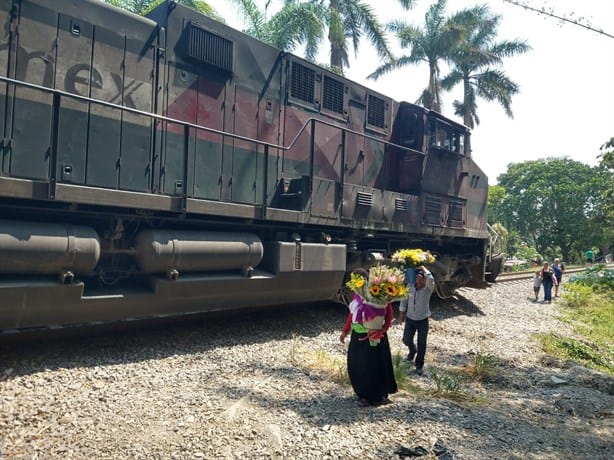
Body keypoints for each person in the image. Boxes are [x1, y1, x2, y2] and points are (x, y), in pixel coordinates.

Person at [340, 270, 397, 406]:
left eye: (358, 279)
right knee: (359, 365)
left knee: (375, 364)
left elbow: (388, 311)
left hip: (375, 335)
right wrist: (345, 331)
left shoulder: (375, 294)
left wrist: (384, 328)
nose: (355, 282)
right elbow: (351, 315)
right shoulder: (357, 296)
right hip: (358, 335)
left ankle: (377, 395)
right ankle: (364, 394)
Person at [398, 266, 435, 376]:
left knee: (422, 343)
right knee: (406, 339)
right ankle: (412, 350)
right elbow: (404, 300)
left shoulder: (428, 289)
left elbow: (431, 278)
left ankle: (419, 365)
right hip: (410, 319)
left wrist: (424, 268)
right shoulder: (410, 287)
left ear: (424, 281)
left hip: (422, 320)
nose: (418, 281)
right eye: (417, 278)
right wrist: (401, 312)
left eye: (421, 279)